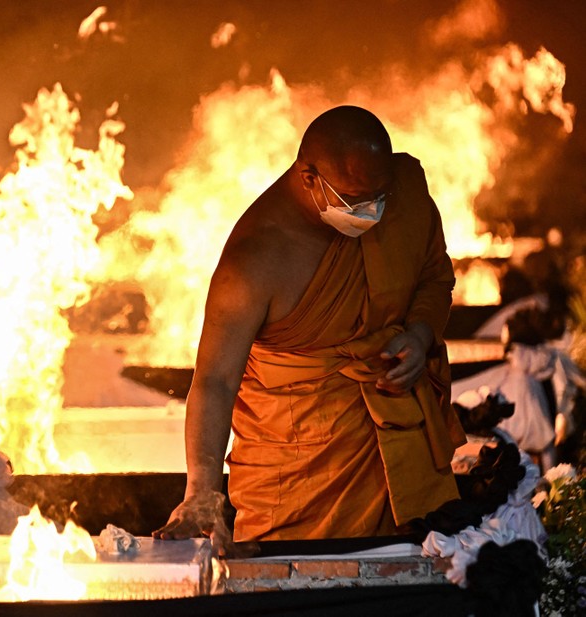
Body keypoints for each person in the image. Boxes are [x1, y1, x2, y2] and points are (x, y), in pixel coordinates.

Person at [153, 105, 467, 545]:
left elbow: (435, 277)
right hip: (298, 474)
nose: (371, 212)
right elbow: (216, 381)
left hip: (397, 448)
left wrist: (420, 333)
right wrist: (202, 490)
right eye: (354, 200)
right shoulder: (254, 259)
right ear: (308, 178)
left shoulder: (407, 195)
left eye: (380, 196)